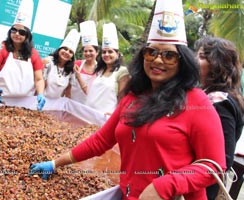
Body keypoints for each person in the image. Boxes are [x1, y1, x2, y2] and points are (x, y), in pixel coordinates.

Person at [29, 1, 226, 199]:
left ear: (182, 62)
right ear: (143, 57)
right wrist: (56, 163)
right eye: (152, 52)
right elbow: (100, 140)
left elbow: (213, 166)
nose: (158, 60)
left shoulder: (197, 102)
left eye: (169, 55)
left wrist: (165, 185)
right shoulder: (134, 96)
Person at [194, 36, 244, 200]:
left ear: (217, 65)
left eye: (201, 57)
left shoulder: (220, 101)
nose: (194, 60)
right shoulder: (210, 95)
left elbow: (224, 159)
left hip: (201, 187)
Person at [0, 0, 45, 111]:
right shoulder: (3, 48)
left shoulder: (33, 54)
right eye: (14, 30)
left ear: (27, 36)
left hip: (24, 105)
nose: (17, 34)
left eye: (22, 32)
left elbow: (39, 79)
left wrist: (40, 94)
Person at [83, 22, 130, 115]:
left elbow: (122, 98)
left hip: (105, 117)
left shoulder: (122, 72)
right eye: (104, 52)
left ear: (117, 54)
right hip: (88, 114)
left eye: (110, 52)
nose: (106, 55)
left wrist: (115, 115)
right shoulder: (99, 70)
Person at [42, 29, 80, 99]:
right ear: (59, 49)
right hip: (41, 101)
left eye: (70, 52)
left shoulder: (71, 70)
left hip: (56, 105)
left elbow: (68, 91)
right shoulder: (48, 62)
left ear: (72, 57)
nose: (67, 52)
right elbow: (40, 83)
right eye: (65, 49)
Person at [70, 20, 99, 104]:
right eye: (85, 51)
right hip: (71, 102)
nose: (87, 53)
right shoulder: (77, 64)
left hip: (87, 105)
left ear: (97, 52)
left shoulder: (100, 69)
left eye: (91, 51)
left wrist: (79, 76)